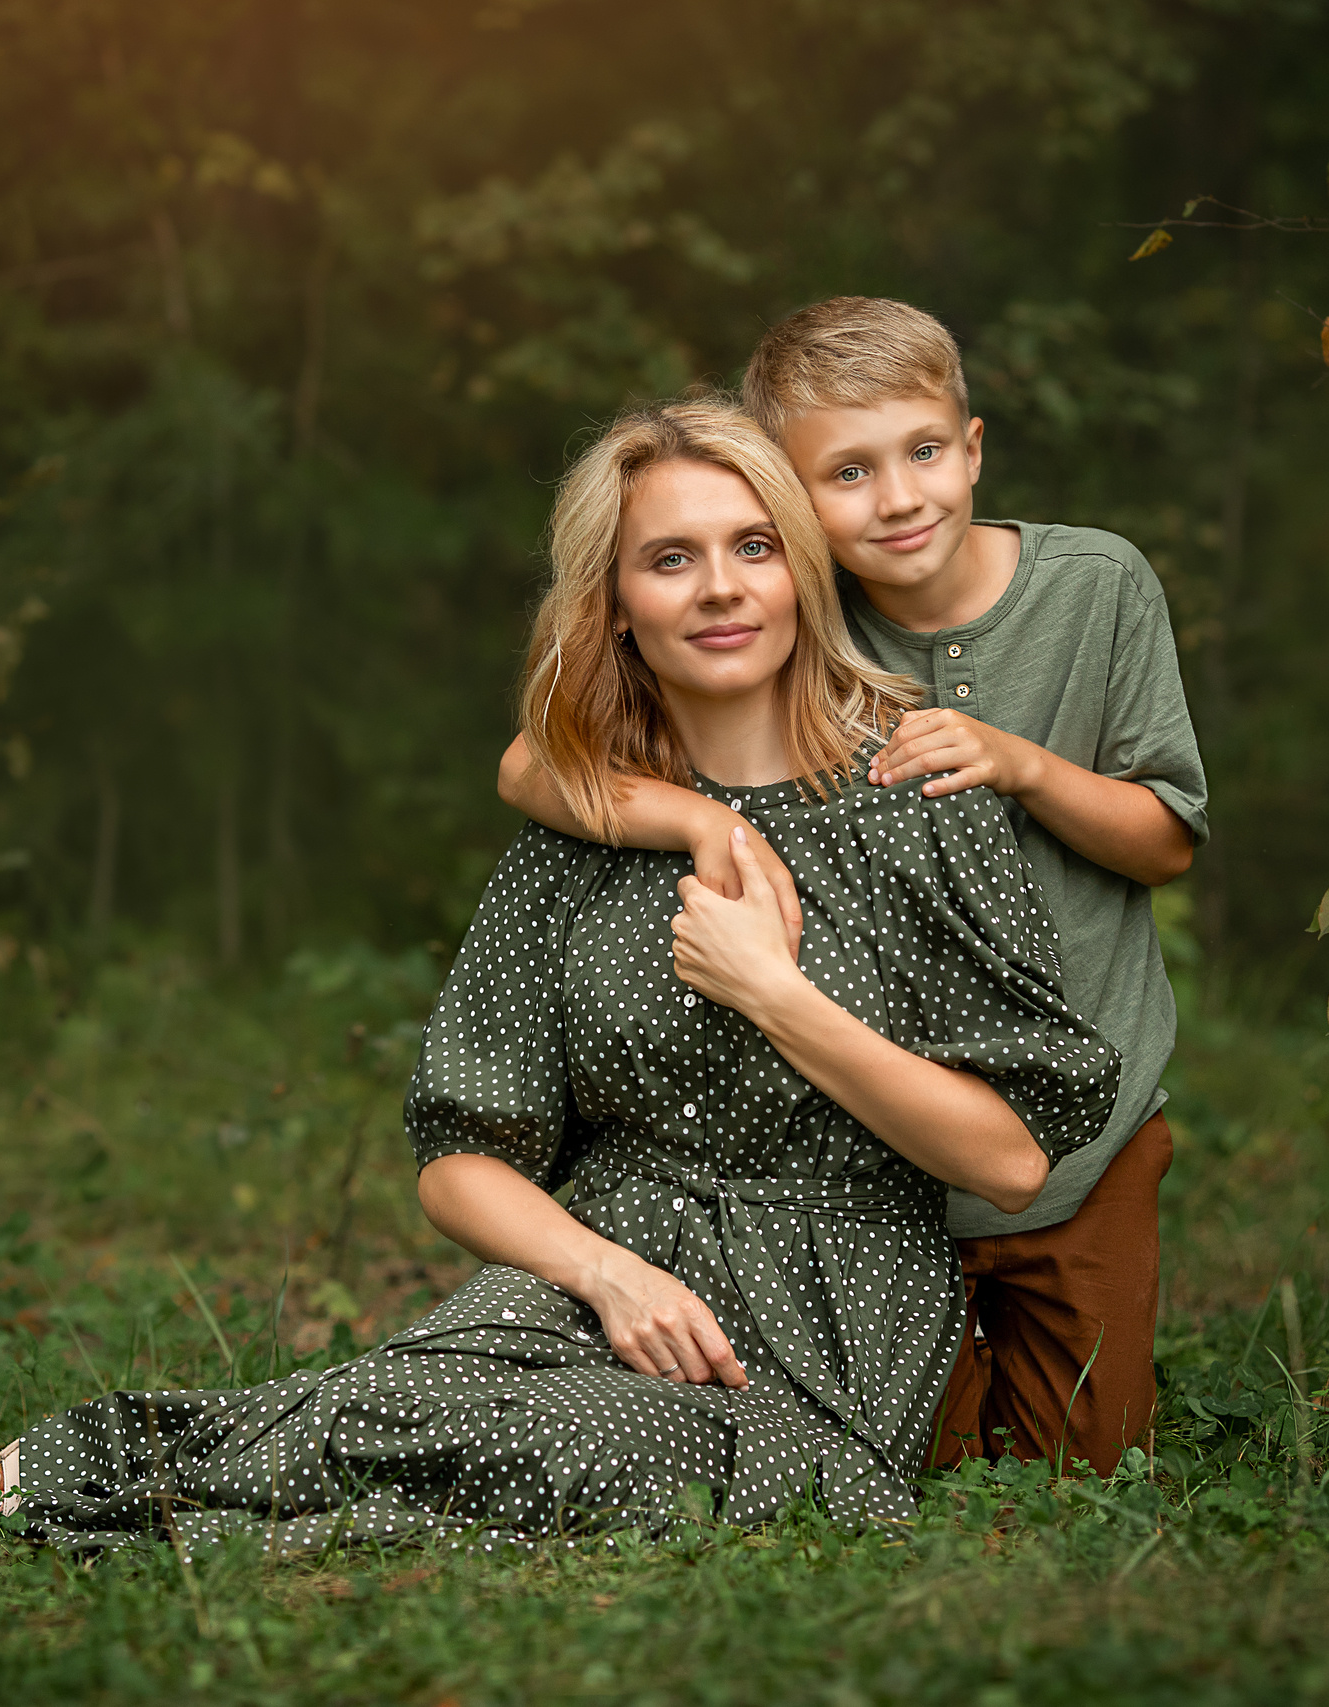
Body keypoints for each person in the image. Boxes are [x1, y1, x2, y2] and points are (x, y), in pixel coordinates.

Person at [0, 400, 1119, 1552]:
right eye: (669, 560)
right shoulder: (580, 838)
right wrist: (608, 1276)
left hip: (824, 1316)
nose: (720, 589)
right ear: (616, 605)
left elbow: (1007, 1161)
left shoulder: (917, 806)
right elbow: (458, 1162)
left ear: (801, 573)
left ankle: (194, 1508)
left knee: (570, 1440)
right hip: (593, 1274)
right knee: (416, 1397)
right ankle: (152, 1458)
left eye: (753, 547)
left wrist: (774, 996)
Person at [499, 299, 1209, 1475]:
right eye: (846, 473)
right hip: (865, 1153)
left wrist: (1023, 766)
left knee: (1081, 1465)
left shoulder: (1096, 586)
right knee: (915, 1461)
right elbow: (534, 767)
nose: (897, 499)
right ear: (793, 500)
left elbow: (1167, 842)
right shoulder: (799, 614)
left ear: (971, 447)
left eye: (923, 452)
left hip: (1079, 1131)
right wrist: (702, 819)